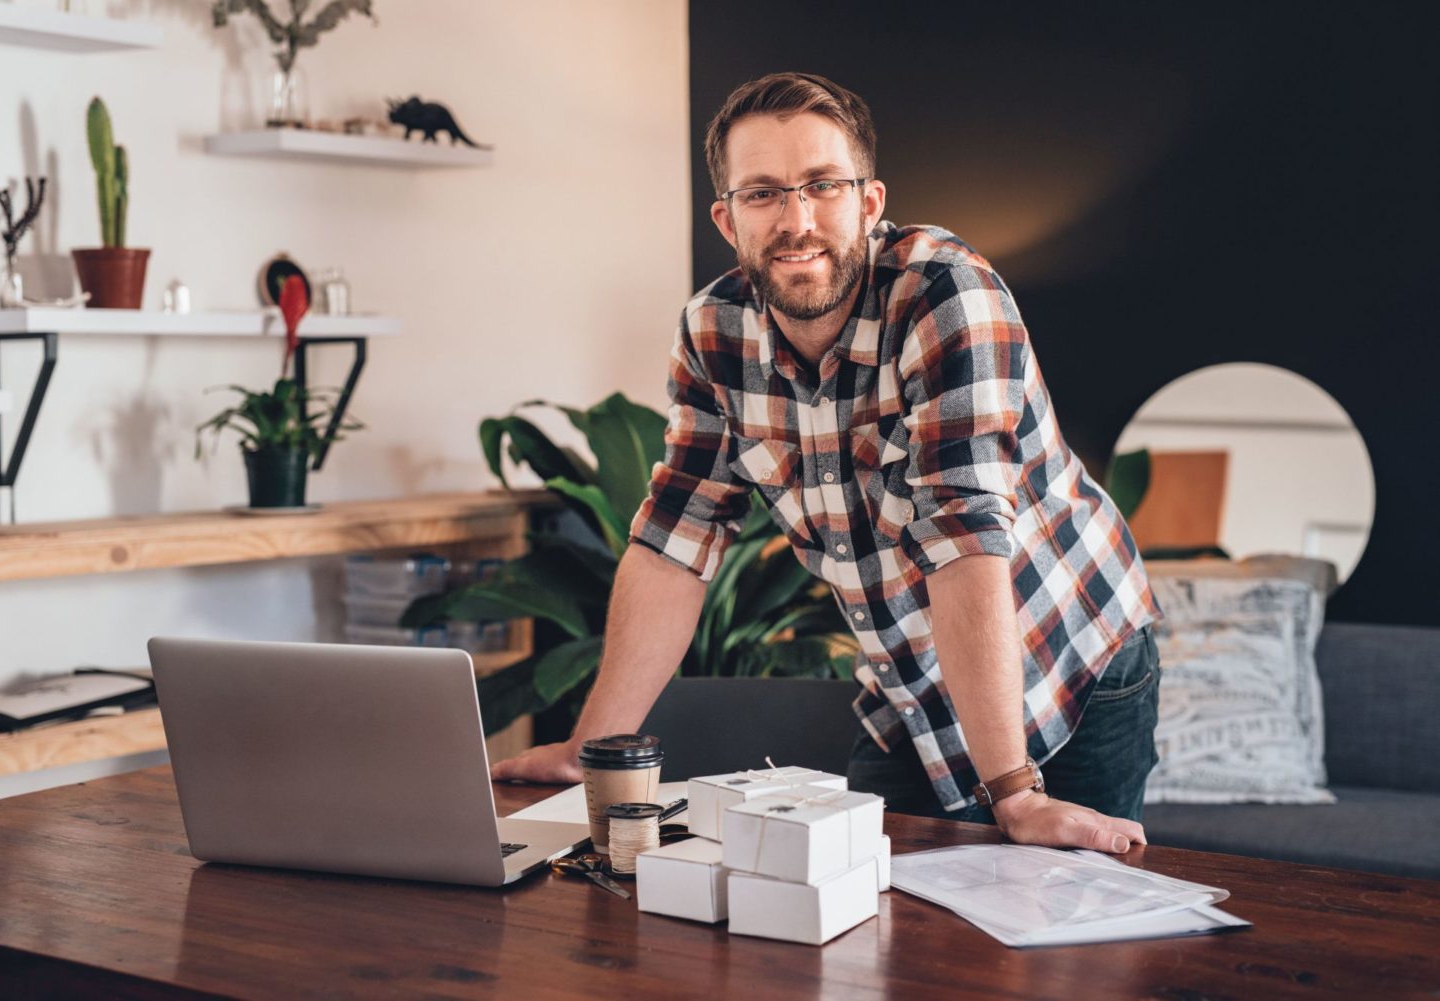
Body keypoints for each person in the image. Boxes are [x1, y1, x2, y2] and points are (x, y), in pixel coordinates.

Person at [493, 72, 1163, 854]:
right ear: (727, 218)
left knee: (1066, 952)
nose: (797, 220)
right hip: (908, 685)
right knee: (869, 927)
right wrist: (591, 752)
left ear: (870, 202)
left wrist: (1013, 791)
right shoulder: (714, 331)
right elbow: (675, 543)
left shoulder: (946, 294)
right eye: (764, 194)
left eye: (822, 186)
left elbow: (964, 540)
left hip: (1072, 660)